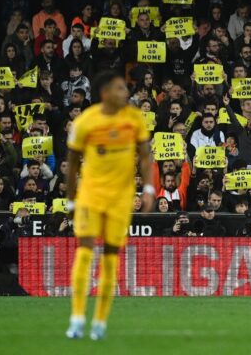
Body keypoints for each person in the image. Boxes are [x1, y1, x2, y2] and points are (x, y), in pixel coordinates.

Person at [65, 71, 155, 340]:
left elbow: (146, 156)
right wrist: (71, 200)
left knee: (110, 259)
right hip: (90, 197)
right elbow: (71, 164)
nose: (125, 93)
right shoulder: (86, 122)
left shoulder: (134, 119)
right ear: (105, 93)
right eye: (119, 88)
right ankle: (78, 317)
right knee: (84, 253)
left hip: (121, 199)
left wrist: (148, 189)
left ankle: (100, 322)